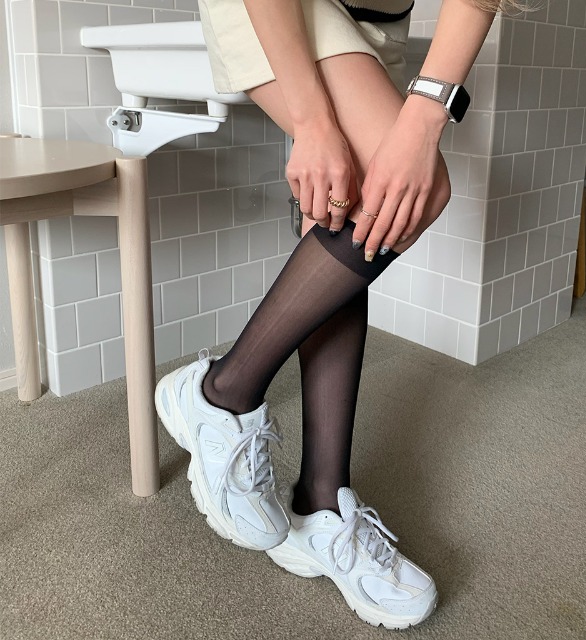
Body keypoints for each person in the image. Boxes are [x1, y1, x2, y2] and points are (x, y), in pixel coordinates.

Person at [155, 0, 521, 629]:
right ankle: (222, 393)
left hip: (380, 17)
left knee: (350, 208)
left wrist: (426, 112)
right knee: (409, 189)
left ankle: (320, 504)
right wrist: (312, 121)